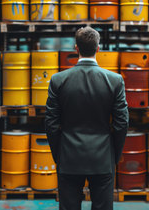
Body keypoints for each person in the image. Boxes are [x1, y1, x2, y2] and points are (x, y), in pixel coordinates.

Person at [45, 27, 129, 210]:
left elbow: (51, 123)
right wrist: (113, 154)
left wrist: (59, 154)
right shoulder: (115, 81)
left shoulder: (58, 80)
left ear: (76, 49)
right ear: (98, 49)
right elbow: (122, 123)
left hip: (69, 157)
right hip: (102, 157)